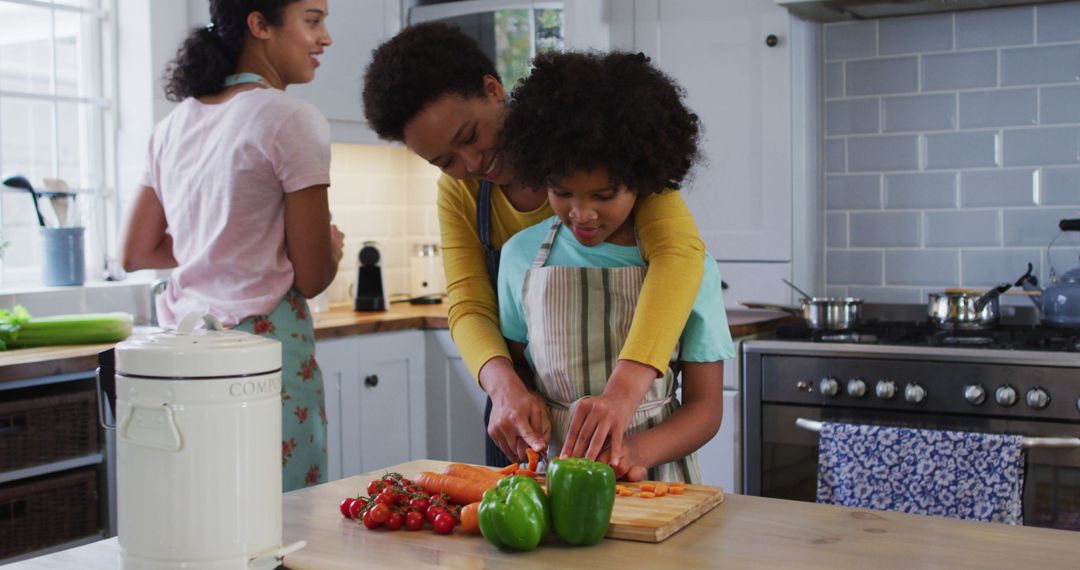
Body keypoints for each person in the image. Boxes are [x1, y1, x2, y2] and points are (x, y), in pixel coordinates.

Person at [362, 23, 708, 470]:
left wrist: (623, 390)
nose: (469, 164)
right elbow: (468, 304)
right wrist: (503, 385)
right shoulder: (460, 195)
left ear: (492, 90)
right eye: (444, 161)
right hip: (523, 412)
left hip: (630, 406)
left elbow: (679, 255)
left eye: (468, 137)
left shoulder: (603, 147)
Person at [119, 0, 343, 491]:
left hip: (187, 351)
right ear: (259, 25)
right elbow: (311, 276)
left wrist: (220, 247)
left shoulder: (172, 127)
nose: (325, 37)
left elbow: (135, 250)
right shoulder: (290, 119)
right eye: (312, 20)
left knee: (203, 509)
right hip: (263, 358)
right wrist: (330, 246)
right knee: (280, 519)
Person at [496, 50, 734, 482]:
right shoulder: (519, 258)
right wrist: (518, 409)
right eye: (561, 192)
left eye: (605, 196)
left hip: (656, 481)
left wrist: (635, 451)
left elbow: (706, 408)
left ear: (643, 179)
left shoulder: (688, 267)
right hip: (555, 480)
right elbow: (520, 376)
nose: (581, 213)